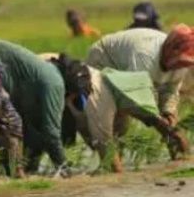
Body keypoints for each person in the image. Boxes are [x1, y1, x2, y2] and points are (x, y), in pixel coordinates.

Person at [45, 55, 188, 171]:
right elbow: (107, 152)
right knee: (102, 147)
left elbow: (148, 114)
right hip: (49, 80)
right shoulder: (100, 100)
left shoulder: (122, 86)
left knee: (116, 135)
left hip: (66, 79)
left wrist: (171, 132)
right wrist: (119, 177)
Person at [0, 38, 71, 175]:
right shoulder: (55, 82)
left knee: (0, 127)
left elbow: (32, 132)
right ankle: (13, 173)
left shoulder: (34, 74)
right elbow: (51, 133)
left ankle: (2, 171)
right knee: (11, 124)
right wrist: (64, 169)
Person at [86, 26, 194, 130]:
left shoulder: (181, 65)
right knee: (106, 116)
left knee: (120, 128)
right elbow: (133, 97)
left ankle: (113, 144)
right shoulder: (145, 56)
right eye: (180, 60)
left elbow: (170, 90)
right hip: (105, 59)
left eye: (185, 62)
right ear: (170, 49)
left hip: (128, 66)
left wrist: (168, 113)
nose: (180, 66)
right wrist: (162, 127)